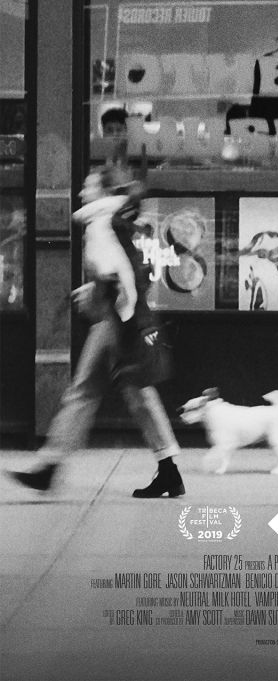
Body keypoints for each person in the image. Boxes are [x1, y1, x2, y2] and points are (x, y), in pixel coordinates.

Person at [8, 167, 184, 498]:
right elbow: (126, 269)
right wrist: (98, 291)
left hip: (115, 321)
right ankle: (168, 469)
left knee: (90, 391)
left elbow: (121, 276)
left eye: (87, 187)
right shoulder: (113, 219)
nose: (80, 193)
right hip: (118, 319)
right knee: (133, 393)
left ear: (103, 192)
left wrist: (110, 304)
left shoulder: (102, 223)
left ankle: (51, 466)